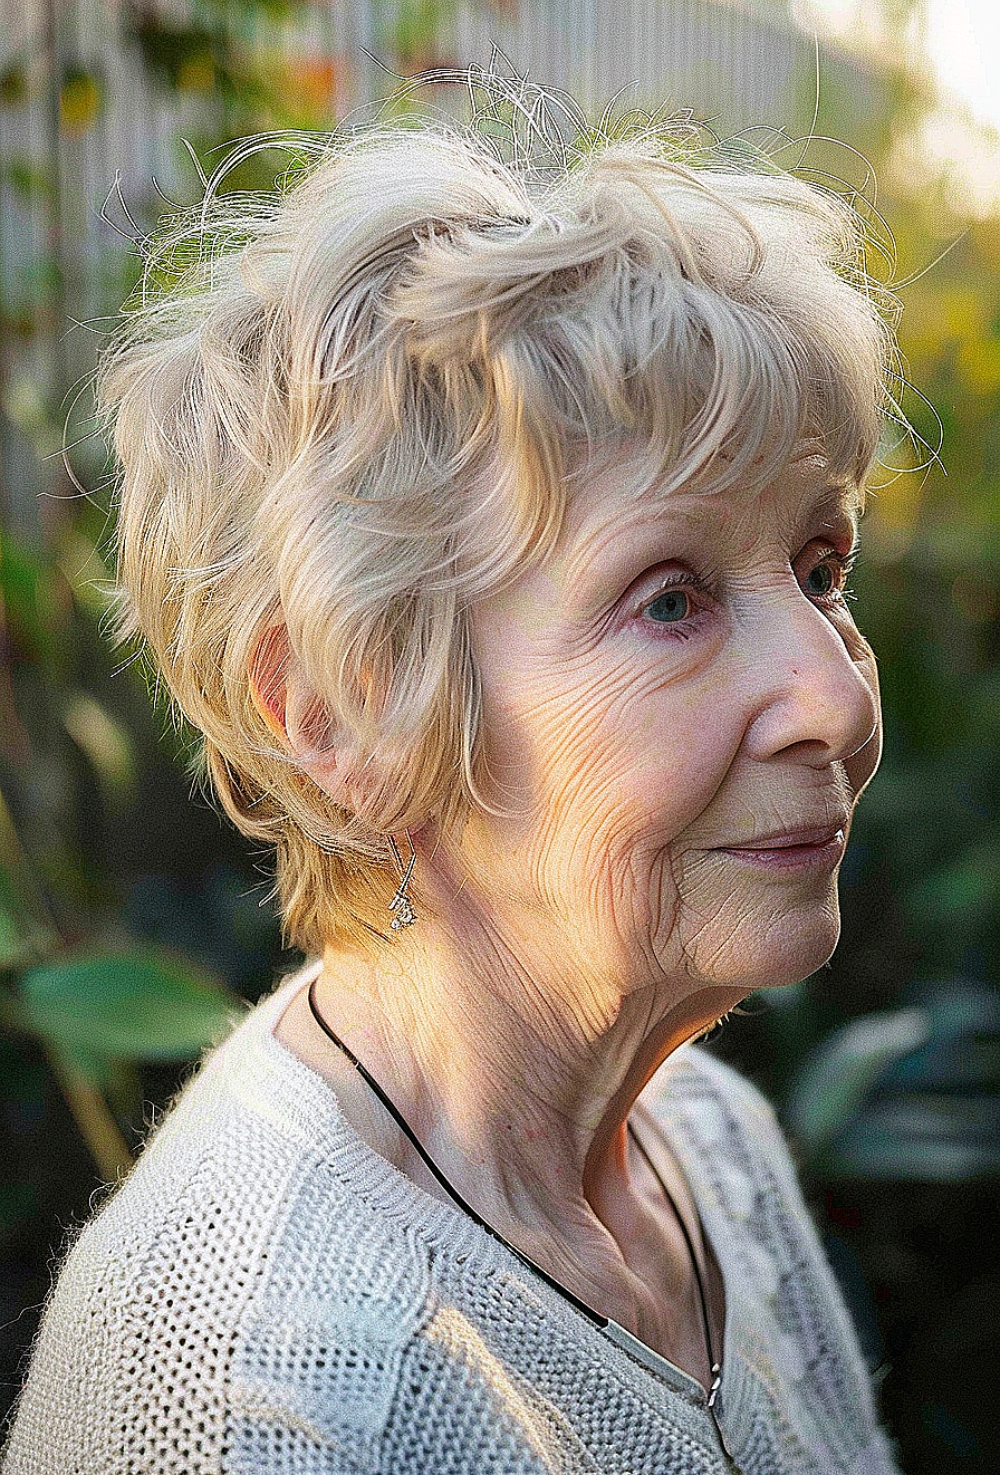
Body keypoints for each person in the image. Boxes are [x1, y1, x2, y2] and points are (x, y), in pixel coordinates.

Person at [2, 76, 905, 1473]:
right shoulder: (254, 1402)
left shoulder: (707, 1142)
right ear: (345, 713)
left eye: (820, 567)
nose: (835, 699)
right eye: (669, 599)